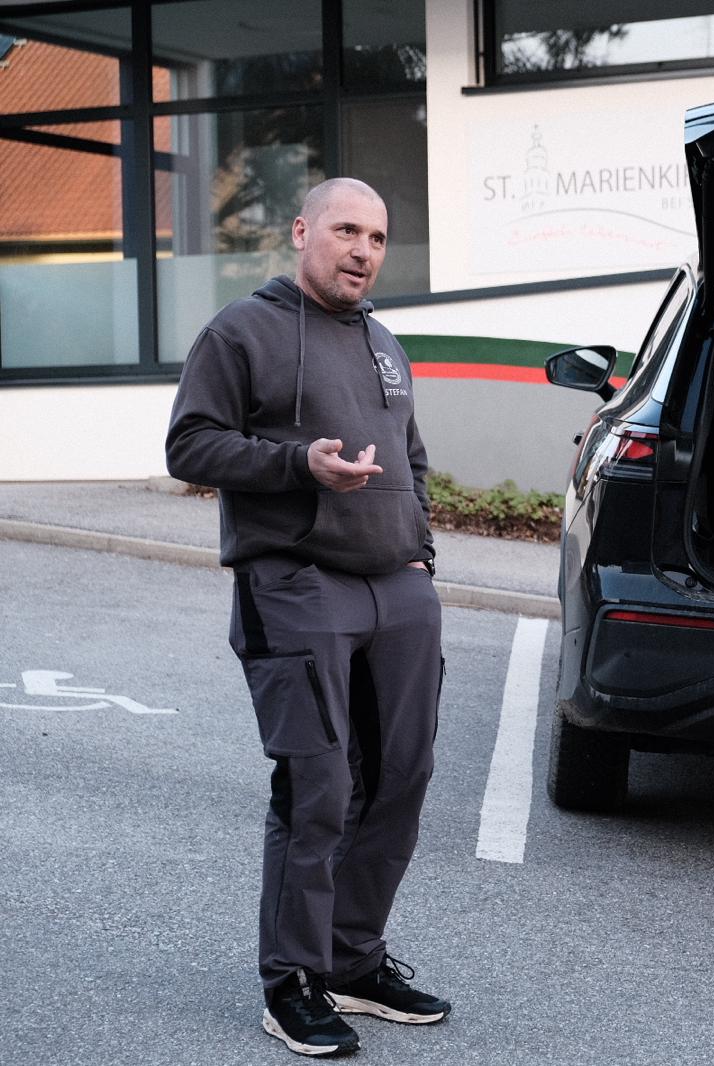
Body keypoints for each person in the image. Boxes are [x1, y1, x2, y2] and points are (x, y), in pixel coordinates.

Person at [167, 177, 450, 1055]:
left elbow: (411, 455)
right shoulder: (241, 331)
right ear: (301, 232)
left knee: (399, 779)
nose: (363, 251)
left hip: (395, 587)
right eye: (346, 230)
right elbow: (189, 444)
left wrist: (420, 554)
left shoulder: (383, 341)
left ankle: (352, 961)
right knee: (318, 789)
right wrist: (299, 465)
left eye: (377, 237)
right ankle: (292, 978)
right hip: (297, 583)